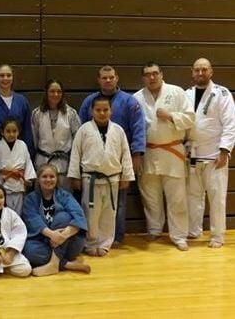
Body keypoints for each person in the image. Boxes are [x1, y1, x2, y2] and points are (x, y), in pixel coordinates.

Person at [79, 65, 145, 246]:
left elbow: (139, 128)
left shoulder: (129, 101)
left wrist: (137, 154)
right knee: (92, 207)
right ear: (98, 80)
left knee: (118, 204)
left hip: (119, 160)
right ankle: (93, 240)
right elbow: (83, 133)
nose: (108, 80)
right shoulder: (89, 102)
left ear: (116, 78)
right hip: (92, 164)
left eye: (111, 77)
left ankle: (115, 237)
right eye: (104, 78)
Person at [134, 62, 195, 251]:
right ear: (143, 78)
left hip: (172, 152)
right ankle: (154, 229)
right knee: (150, 195)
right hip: (148, 152)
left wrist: (170, 116)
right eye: (147, 74)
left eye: (155, 73)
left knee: (177, 197)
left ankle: (179, 236)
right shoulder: (136, 98)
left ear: (161, 74)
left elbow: (191, 118)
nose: (151, 77)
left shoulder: (176, 92)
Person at [68, 96, 135, 256]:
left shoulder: (118, 130)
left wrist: (126, 175)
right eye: (98, 110)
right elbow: (76, 154)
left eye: (105, 110)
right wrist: (74, 176)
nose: (102, 113)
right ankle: (90, 243)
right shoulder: (84, 129)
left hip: (112, 178)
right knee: (90, 213)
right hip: (90, 179)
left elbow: (125, 154)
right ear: (92, 111)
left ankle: (105, 243)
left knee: (109, 213)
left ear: (111, 111)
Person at [185, 58, 235, 248]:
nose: (200, 73)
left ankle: (217, 236)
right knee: (193, 197)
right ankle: (193, 230)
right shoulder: (187, 94)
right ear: (192, 72)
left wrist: (224, 151)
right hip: (193, 154)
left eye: (204, 70)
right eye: (197, 70)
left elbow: (231, 124)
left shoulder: (221, 93)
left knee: (217, 198)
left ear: (211, 71)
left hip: (215, 155)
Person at [22, 164, 90, 276]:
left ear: (57, 179)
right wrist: (52, 235)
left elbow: (79, 215)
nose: (48, 179)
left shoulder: (65, 196)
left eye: (52, 176)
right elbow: (33, 219)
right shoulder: (31, 199)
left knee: (63, 217)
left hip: (68, 243)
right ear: (38, 179)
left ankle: (54, 263)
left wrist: (64, 235)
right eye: (44, 176)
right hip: (44, 242)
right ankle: (66, 264)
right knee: (29, 251)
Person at [32, 79, 81, 191]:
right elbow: (34, 139)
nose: (56, 94)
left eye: (59, 91)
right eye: (52, 91)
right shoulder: (37, 113)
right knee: (42, 196)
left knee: (63, 197)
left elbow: (77, 141)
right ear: (46, 93)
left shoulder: (71, 113)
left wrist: (74, 168)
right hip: (43, 161)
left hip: (63, 163)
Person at [0, 64, 34, 156]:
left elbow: (27, 131)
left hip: (18, 153)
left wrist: (29, 154)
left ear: (12, 78)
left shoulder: (22, 101)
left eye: (8, 75)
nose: (5, 78)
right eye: (2, 75)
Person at [0, 118, 36, 215]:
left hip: (19, 185)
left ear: (19, 132)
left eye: (14, 131)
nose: (11, 134)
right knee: (4, 213)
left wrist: (28, 179)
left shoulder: (22, 145)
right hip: (3, 183)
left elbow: (28, 163)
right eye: (8, 131)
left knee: (18, 213)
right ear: (2, 132)